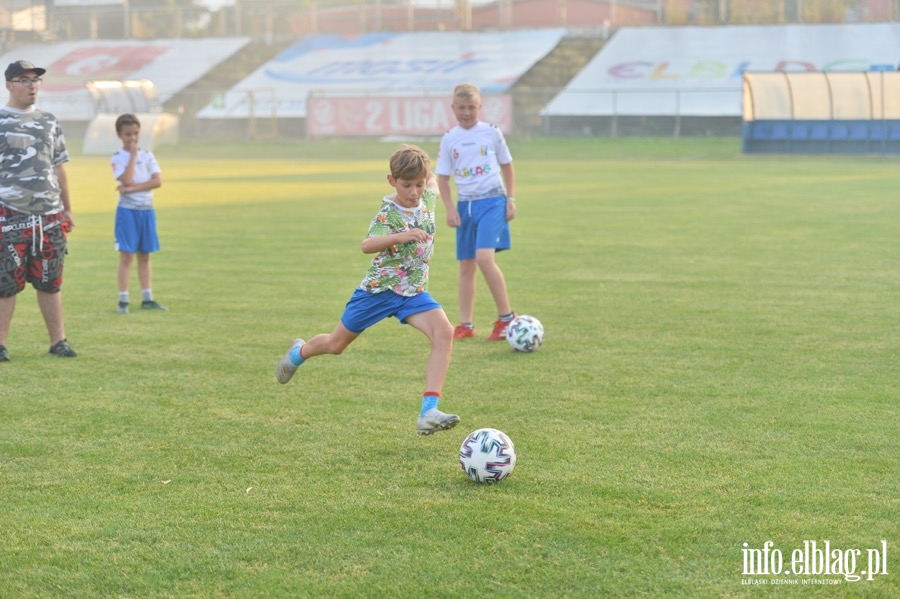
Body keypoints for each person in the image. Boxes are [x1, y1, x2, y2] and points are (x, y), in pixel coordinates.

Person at [275, 145, 459, 436]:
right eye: (406, 185)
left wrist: (432, 167)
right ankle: (299, 352)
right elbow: (366, 245)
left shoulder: (427, 196)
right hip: (378, 292)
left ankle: (428, 412)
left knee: (445, 332)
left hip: (412, 293)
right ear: (391, 181)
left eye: (419, 184)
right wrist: (402, 236)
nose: (414, 191)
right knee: (336, 345)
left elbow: (433, 179)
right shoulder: (388, 213)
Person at [0, 60, 76, 361]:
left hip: (50, 215)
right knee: (5, 283)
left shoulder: (49, 121)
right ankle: (1, 344)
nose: (32, 85)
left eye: (35, 80)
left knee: (50, 280)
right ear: (9, 84)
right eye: (23, 80)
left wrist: (68, 209)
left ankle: (59, 342)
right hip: (9, 212)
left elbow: (59, 167)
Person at [436, 82, 517, 342]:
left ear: (480, 107)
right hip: (466, 206)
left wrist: (511, 198)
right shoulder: (449, 138)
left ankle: (506, 319)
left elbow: (507, 165)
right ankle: (466, 324)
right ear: (453, 108)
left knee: (484, 257)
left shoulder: (492, 133)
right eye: (461, 107)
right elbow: (443, 178)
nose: (467, 112)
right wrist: (449, 208)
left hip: (492, 200)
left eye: (472, 107)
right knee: (466, 265)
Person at [111, 113, 167, 313]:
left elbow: (157, 181)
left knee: (145, 255)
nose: (132, 138)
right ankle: (123, 300)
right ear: (120, 135)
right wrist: (133, 156)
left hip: (146, 210)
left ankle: (147, 298)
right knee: (127, 256)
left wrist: (133, 189)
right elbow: (125, 180)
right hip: (127, 212)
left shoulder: (149, 155)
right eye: (128, 135)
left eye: (135, 134)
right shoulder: (117, 158)